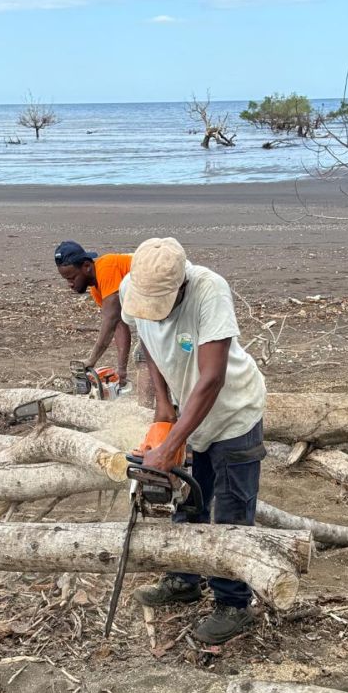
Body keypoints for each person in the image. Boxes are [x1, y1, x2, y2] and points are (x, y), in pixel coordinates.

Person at [119, 237, 267, 646]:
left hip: (232, 414)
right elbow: (150, 346)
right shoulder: (135, 286)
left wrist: (170, 447)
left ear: (180, 284)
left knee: (232, 511)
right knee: (188, 501)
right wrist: (164, 409)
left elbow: (212, 377)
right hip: (187, 409)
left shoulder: (208, 290)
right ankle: (184, 578)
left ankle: (234, 603)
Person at [54, 241, 132, 382]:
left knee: (144, 357)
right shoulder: (97, 290)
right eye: (66, 280)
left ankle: (153, 403)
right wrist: (122, 370)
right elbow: (119, 325)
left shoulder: (106, 268)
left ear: (87, 266)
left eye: (72, 278)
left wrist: (92, 359)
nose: (70, 284)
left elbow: (110, 320)